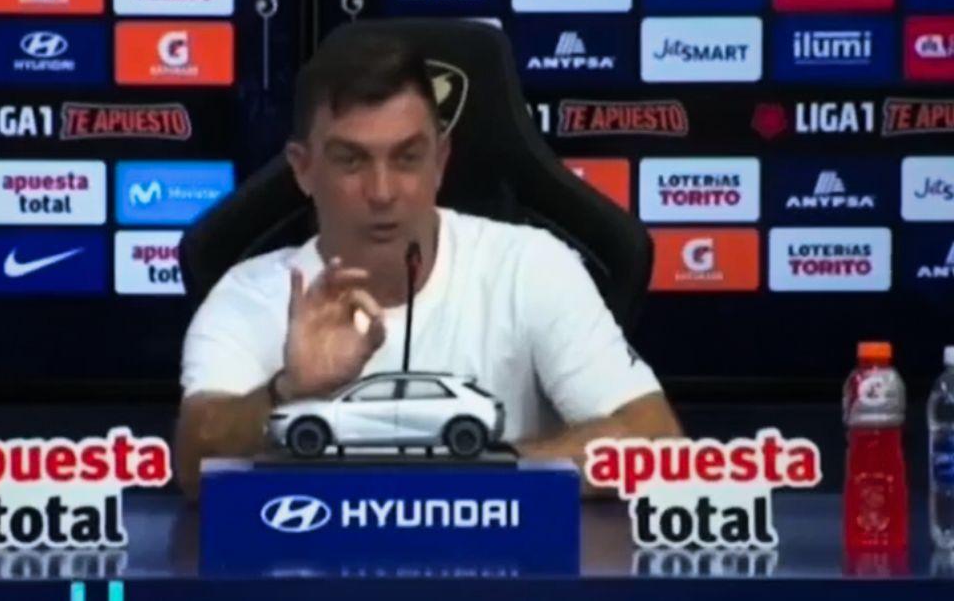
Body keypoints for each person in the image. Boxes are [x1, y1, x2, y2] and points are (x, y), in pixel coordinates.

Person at [174, 32, 681, 501]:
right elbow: (195, 469)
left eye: (407, 158)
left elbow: (656, 439)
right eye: (351, 161)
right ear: (303, 169)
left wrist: (473, 474)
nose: (382, 192)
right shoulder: (248, 297)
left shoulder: (530, 266)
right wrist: (286, 390)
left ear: (440, 161)